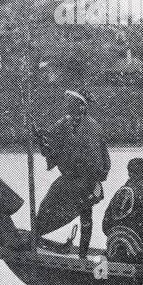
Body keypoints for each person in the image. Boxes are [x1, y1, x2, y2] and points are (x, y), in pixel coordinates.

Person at [33, 90, 111, 258]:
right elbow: (50, 143)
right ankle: (36, 234)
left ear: (82, 107)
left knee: (85, 213)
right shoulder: (64, 123)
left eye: (72, 102)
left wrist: (91, 175)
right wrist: (39, 136)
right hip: (69, 178)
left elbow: (99, 157)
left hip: (88, 180)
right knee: (49, 202)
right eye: (67, 102)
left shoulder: (92, 127)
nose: (67, 105)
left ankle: (83, 253)